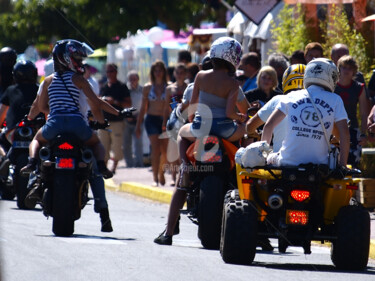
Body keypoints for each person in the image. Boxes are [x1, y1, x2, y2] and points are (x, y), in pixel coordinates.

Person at [20, 39, 128, 231]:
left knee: (36, 140)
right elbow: (96, 103)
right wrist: (110, 116)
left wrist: (31, 117)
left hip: (54, 125)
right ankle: (103, 172)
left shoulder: (48, 81)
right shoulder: (80, 80)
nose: (81, 62)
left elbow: (39, 106)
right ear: (66, 60)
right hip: (78, 125)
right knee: (96, 148)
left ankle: (31, 162)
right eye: (77, 59)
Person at [154, 36, 245, 245]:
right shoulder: (233, 83)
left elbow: (193, 105)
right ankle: (242, 166)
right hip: (225, 131)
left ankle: (185, 168)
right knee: (246, 131)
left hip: (200, 129)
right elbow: (235, 111)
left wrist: (195, 122)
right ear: (234, 59)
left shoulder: (201, 76)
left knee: (181, 135)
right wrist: (241, 120)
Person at [261, 58, 349, 168]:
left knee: (271, 157)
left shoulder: (291, 96)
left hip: (286, 162)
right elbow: (345, 135)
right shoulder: (336, 99)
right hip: (319, 165)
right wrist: (343, 165)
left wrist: (263, 156)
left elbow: (268, 126)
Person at [246, 64, 306, 152]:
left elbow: (250, 126)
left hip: (281, 159)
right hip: (315, 161)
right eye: (264, 77)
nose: (266, 80)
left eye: (269, 78)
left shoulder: (279, 99)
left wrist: (253, 133)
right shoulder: (321, 103)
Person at [0, 60, 39, 175]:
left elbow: (2, 113)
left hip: (13, 131)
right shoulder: (39, 89)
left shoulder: (10, 90)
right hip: (36, 130)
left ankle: (4, 159)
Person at [135, 60, 170, 186]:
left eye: (160, 70)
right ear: (152, 72)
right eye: (156, 70)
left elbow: (171, 106)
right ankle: (155, 177)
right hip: (151, 119)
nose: (158, 73)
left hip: (165, 119)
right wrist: (138, 126)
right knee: (155, 149)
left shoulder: (169, 86)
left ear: (164, 71)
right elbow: (143, 108)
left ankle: (161, 172)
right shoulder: (147, 88)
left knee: (165, 151)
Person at [334, 55, 371, 168]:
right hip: (333, 129)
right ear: (339, 69)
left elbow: (364, 113)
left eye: (350, 68)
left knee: (352, 165)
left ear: (354, 71)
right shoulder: (332, 86)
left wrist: (364, 134)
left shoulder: (358, 87)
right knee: (332, 162)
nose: (346, 70)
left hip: (352, 129)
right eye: (344, 67)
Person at [98, 63, 131, 174]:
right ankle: (105, 168)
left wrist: (115, 102)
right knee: (103, 146)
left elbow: (128, 103)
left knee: (117, 146)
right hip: (104, 121)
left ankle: (114, 168)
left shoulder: (122, 86)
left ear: (116, 72)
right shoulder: (104, 86)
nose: (109, 74)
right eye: (107, 71)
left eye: (111, 71)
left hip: (117, 121)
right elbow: (97, 101)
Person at [163, 63, 187, 185]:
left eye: (182, 72)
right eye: (177, 72)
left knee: (182, 149)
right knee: (172, 149)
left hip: (185, 121)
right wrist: (164, 123)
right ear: (174, 74)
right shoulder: (169, 89)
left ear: (186, 74)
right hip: (173, 120)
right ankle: (173, 177)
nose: (179, 75)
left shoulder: (188, 87)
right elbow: (166, 107)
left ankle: (181, 175)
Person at [123, 70, 144, 168]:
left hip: (138, 118)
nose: (132, 81)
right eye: (131, 79)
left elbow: (145, 105)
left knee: (138, 143)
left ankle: (139, 163)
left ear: (138, 79)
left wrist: (138, 115)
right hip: (127, 118)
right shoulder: (124, 89)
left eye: (134, 79)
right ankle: (129, 163)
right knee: (126, 143)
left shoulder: (142, 90)